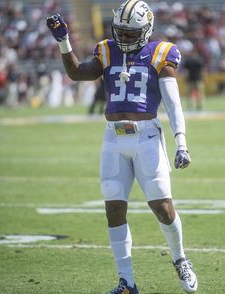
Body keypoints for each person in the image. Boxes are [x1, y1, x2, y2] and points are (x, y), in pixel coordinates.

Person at [47, 1, 197, 293]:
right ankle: (126, 281)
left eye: (132, 33)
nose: (125, 38)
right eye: (122, 32)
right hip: (113, 139)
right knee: (114, 209)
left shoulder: (161, 53)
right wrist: (64, 41)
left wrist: (181, 142)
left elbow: (173, 102)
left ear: (146, 30)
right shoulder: (106, 50)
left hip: (147, 139)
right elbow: (78, 73)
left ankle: (180, 259)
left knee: (162, 208)